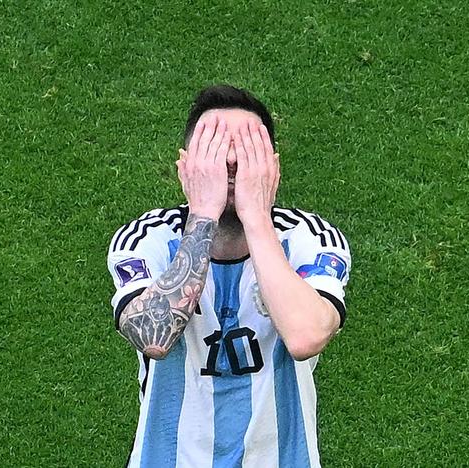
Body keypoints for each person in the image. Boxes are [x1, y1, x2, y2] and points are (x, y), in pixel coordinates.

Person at [107, 85, 351, 468]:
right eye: (216, 148)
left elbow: (306, 335)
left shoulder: (307, 238)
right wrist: (203, 213)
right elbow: (152, 338)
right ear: (187, 167)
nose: (233, 160)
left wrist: (256, 216)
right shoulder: (148, 238)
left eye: (249, 148)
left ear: (273, 168)